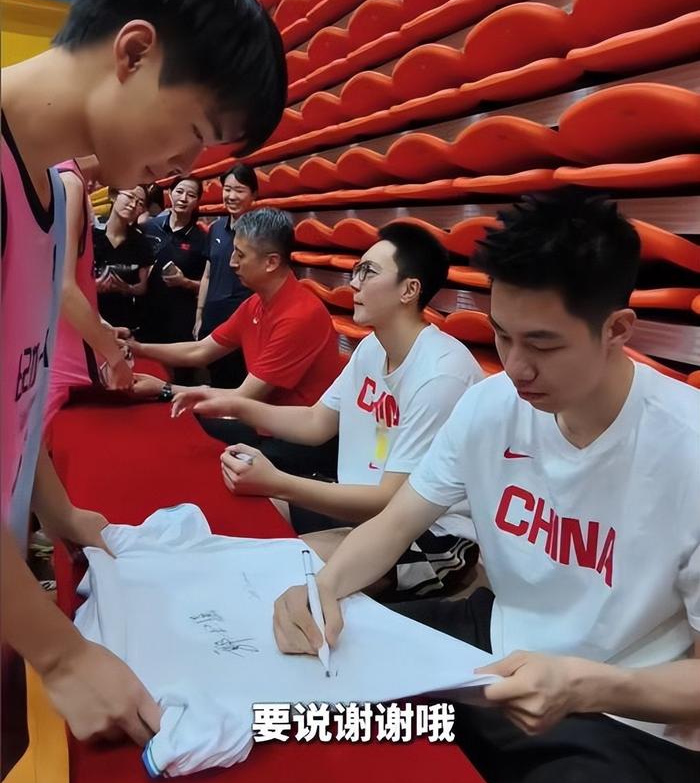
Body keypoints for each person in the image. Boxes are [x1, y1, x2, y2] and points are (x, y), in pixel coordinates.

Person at [273, 190, 700, 783]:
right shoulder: (489, 406)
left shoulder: (687, 448)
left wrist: (588, 686)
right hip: (485, 650)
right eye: (503, 334)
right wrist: (323, 589)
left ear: (617, 330)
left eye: (543, 344)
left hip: (627, 721)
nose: (517, 366)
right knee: (294, 704)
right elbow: (395, 524)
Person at [1, 0, 286, 776]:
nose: (186, 170)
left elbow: (13, 402)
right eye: (195, 134)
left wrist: (58, 515)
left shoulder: (51, 195)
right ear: (133, 52)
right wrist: (60, 654)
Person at [175, 222, 483, 598]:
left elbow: (391, 501)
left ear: (409, 289)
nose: (354, 284)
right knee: (245, 515)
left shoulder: (440, 376)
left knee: (273, 570)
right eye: (356, 271)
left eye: (368, 272)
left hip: (430, 535)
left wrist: (278, 482)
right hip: (363, 508)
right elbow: (316, 421)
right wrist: (237, 405)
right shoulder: (371, 347)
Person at [129, 208, 343, 478]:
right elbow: (201, 350)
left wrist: (164, 389)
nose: (231, 263)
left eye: (240, 255)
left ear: (271, 262)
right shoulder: (256, 303)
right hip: (265, 426)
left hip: (297, 443)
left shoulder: (300, 316)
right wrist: (137, 348)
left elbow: (244, 397)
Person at [44, 159, 135, 430]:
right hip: (58, 362)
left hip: (57, 355)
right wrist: (114, 358)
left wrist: (100, 328)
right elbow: (63, 288)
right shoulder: (69, 183)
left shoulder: (68, 180)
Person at [194, 163, 258, 388]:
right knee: (216, 379)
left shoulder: (261, 233)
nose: (231, 196)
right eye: (227, 189)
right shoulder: (215, 228)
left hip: (244, 322)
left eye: (239, 190)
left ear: (253, 194)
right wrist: (199, 315)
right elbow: (208, 274)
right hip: (213, 318)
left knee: (238, 383)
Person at [140, 176, 208, 385]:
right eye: (179, 191)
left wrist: (185, 282)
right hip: (148, 316)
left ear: (197, 201)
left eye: (191, 195)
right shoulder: (148, 228)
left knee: (181, 380)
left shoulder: (201, 240)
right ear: (170, 193)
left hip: (181, 320)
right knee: (147, 374)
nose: (183, 198)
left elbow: (207, 284)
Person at [93, 185, 154, 334]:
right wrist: (92, 286)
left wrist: (127, 288)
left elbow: (142, 288)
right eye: (130, 196)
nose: (133, 205)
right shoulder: (90, 235)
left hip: (124, 323)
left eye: (140, 203)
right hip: (90, 320)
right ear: (114, 195)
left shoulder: (141, 243)